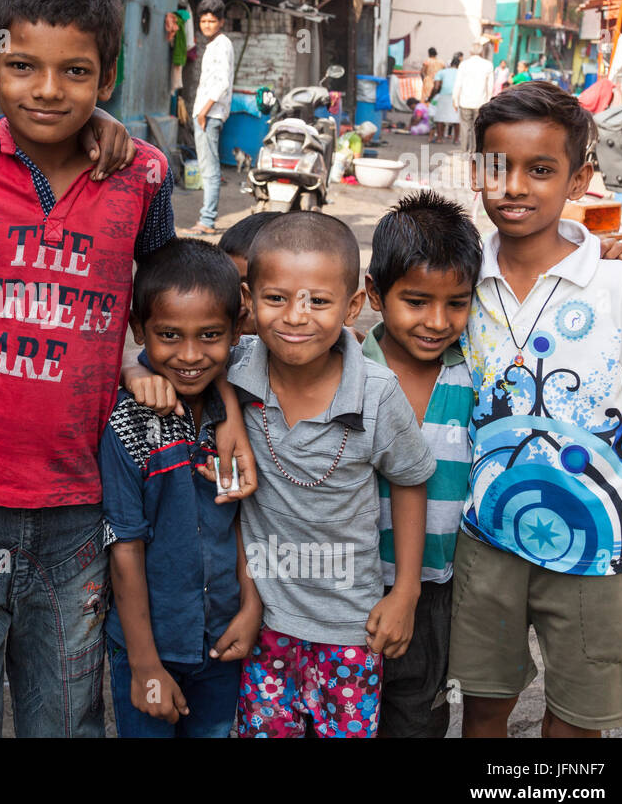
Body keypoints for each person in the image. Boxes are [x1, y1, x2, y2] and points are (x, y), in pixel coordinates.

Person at [0, 0, 256, 738]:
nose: (47, 90)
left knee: (64, 717)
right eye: (23, 67)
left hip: (82, 501)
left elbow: (174, 305)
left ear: (106, 81)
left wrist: (219, 398)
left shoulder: (141, 176)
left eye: (75, 72)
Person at [451, 81, 622, 738]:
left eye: (541, 170)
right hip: (486, 539)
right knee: (483, 705)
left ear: (579, 179)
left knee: (576, 718)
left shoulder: (619, 282)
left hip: (597, 548)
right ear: (474, 170)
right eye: (497, 166)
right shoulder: (457, 282)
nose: (515, 186)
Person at [209, 212, 437, 738]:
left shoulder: (377, 393)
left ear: (352, 305)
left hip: (351, 627)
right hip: (265, 621)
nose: (295, 317)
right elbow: (169, 357)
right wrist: (139, 370)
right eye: (276, 298)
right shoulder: (236, 369)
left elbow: (409, 482)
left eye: (318, 300)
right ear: (248, 298)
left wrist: (405, 593)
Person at [101, 239, 262, 737]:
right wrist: (146, 665)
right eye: (168, 335)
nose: (190, 355)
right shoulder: (128, 424)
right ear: (138, 329)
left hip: (222, 638)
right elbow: (124, 548)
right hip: (151, 646)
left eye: (210, 335)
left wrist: (251, 608)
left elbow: (242, 519)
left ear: (237, 329)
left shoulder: (236, 411)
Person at [362, 191, 482, 737]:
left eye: (456, 303)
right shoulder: (342, 369)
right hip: (349, 585)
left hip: (437, 588)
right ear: (374, 295)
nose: (437, 321)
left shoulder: (474, 377)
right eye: (416, 301)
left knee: (419, 713)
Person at [183, 0, 235, 236]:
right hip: (207, 113)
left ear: (221, 22)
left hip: (210, 114)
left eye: (212, 21)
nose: (206, 25)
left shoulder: (221, 44)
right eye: (203, 21)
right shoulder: (214, 45)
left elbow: (222, 82)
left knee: (210, 169)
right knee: (208, 167)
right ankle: (207, 218)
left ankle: (207, 220)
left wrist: (203, 112)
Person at [453, 40, 494, 155]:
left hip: (465, 101)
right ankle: (475, 152)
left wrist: (455, 99)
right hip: (481, 103)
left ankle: (464, 152)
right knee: (478, 128)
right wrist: (489, 101)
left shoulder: (464, 64)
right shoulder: (488, 65)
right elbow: (490, 86)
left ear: (470, 52)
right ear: (481, 52)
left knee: (465, 127)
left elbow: (458, 84)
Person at [430, 54, 460, 144]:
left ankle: (439, 138)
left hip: (444, 96)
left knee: (440, 117)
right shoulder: (461, 72)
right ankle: (456, 139)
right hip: (456, 97)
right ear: (459, 65)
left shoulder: (442, 72)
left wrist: (432, 97)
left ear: (450, 64)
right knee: (456, 119)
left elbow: (436, 87)